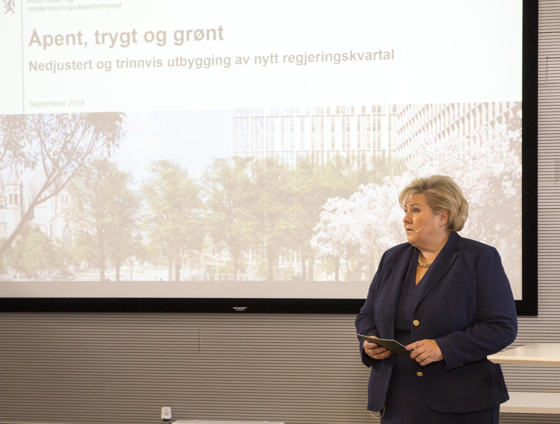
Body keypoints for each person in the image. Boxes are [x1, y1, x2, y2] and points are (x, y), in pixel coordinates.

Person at [355, 175, 517, 423]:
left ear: (443, 216)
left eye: (416, 210)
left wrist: (443, 347)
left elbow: (501, 328)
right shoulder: (392, 258)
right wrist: (371, 341)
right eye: (406, 210)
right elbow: (367, 315)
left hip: (461, 402)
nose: (406, 218)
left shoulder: (479, 257)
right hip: (397, 399)